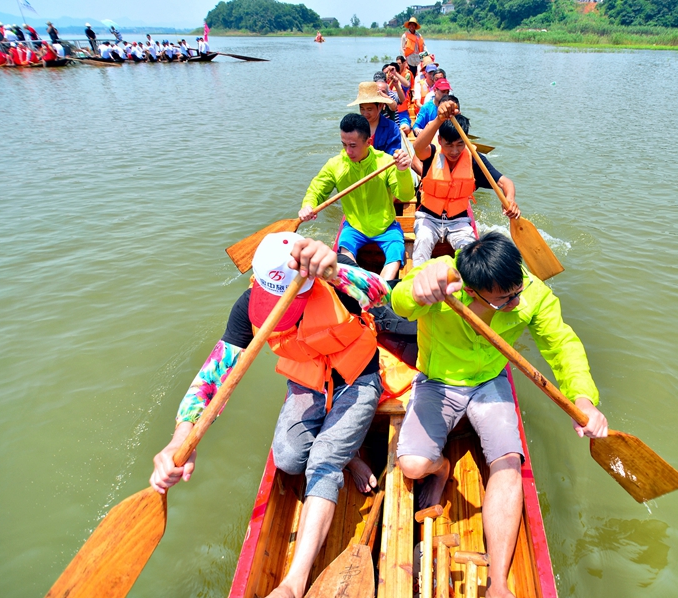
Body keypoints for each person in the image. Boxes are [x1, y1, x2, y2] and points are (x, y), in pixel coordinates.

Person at [151, 233, 387, 598]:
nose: (275, 309)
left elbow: (381, 292)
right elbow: (213, 377)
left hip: (356, 378)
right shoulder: (248, 306)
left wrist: (336, 270)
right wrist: (181, 437)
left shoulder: (331, 282)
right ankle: (349, 451)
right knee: (290, 460)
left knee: (323, 462)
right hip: (307, 382)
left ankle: (294, 582)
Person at [391, 232, 609, 598]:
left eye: (518, 290)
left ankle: (499, 583)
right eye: (506, 299)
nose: (518, 301)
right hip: (438, 381)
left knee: (508, 463)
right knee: (413, 465)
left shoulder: (530, 292)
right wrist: (413, 289)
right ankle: (441, 466)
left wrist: (583, 398)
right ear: (472, 292)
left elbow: (562, 345)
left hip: (491, 381)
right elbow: (398, 302)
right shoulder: (443, 276)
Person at [299, 114, 413, 281]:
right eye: (344, 144)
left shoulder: (386, 162)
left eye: (353, 145)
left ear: (369, 142)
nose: (348, 151)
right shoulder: (336, 165)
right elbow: (317, 189)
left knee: (396, 254)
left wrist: (402, 172)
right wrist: (308, 205)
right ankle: (365, 283)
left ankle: (380, 288)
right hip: (354, 227)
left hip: (386, 226)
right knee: (344, 253)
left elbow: (405, 195)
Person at [411, 101, 519, 266]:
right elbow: (418, 147)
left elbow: (505, 182)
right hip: (429, 217)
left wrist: (510, 199)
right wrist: (439, 120)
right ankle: (417, 286)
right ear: (440, 141)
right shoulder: (431, 153)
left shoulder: (475, 161)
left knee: (470, 252)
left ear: (466, 140)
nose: (454, 151)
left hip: (458, 220)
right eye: (449, 145)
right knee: (422, 242)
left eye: (460, 144)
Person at [349, 81, 402, 158]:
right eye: (362, 109)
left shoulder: (392, 128)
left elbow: (392, 154)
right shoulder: (354, 127)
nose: (365, 113)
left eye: (369, 109)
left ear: (380, 106)